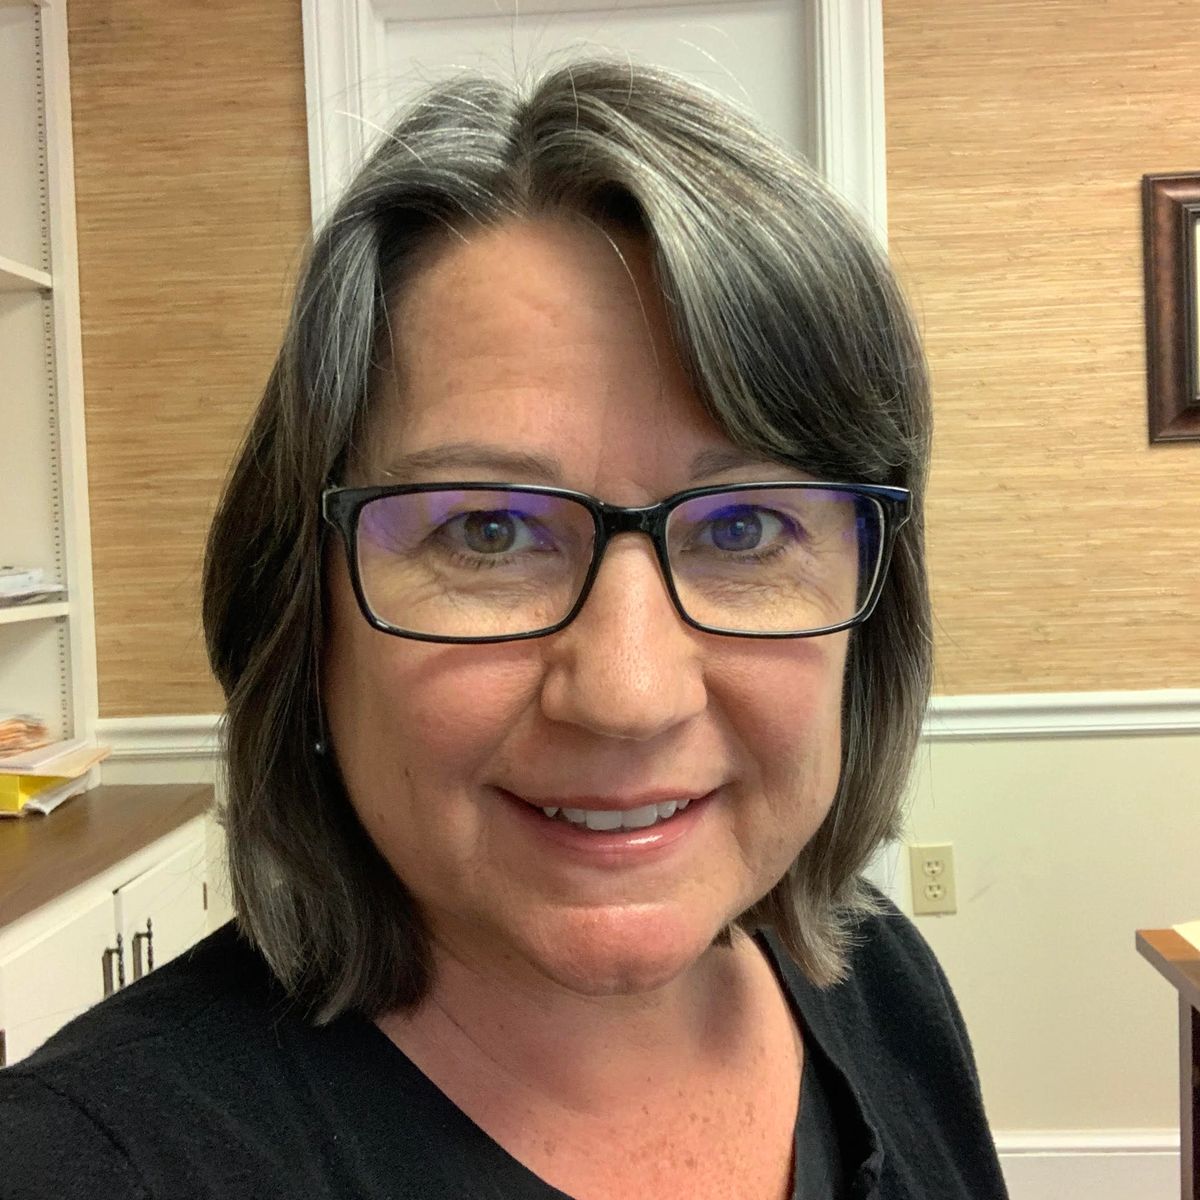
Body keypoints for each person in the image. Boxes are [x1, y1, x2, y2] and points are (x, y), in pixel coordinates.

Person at [0, 60, 1008, 1200]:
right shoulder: (81, 1168)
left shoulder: (886, 993)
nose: (629, 692)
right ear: (303, 612)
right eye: (485, 532)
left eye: (742, 529)